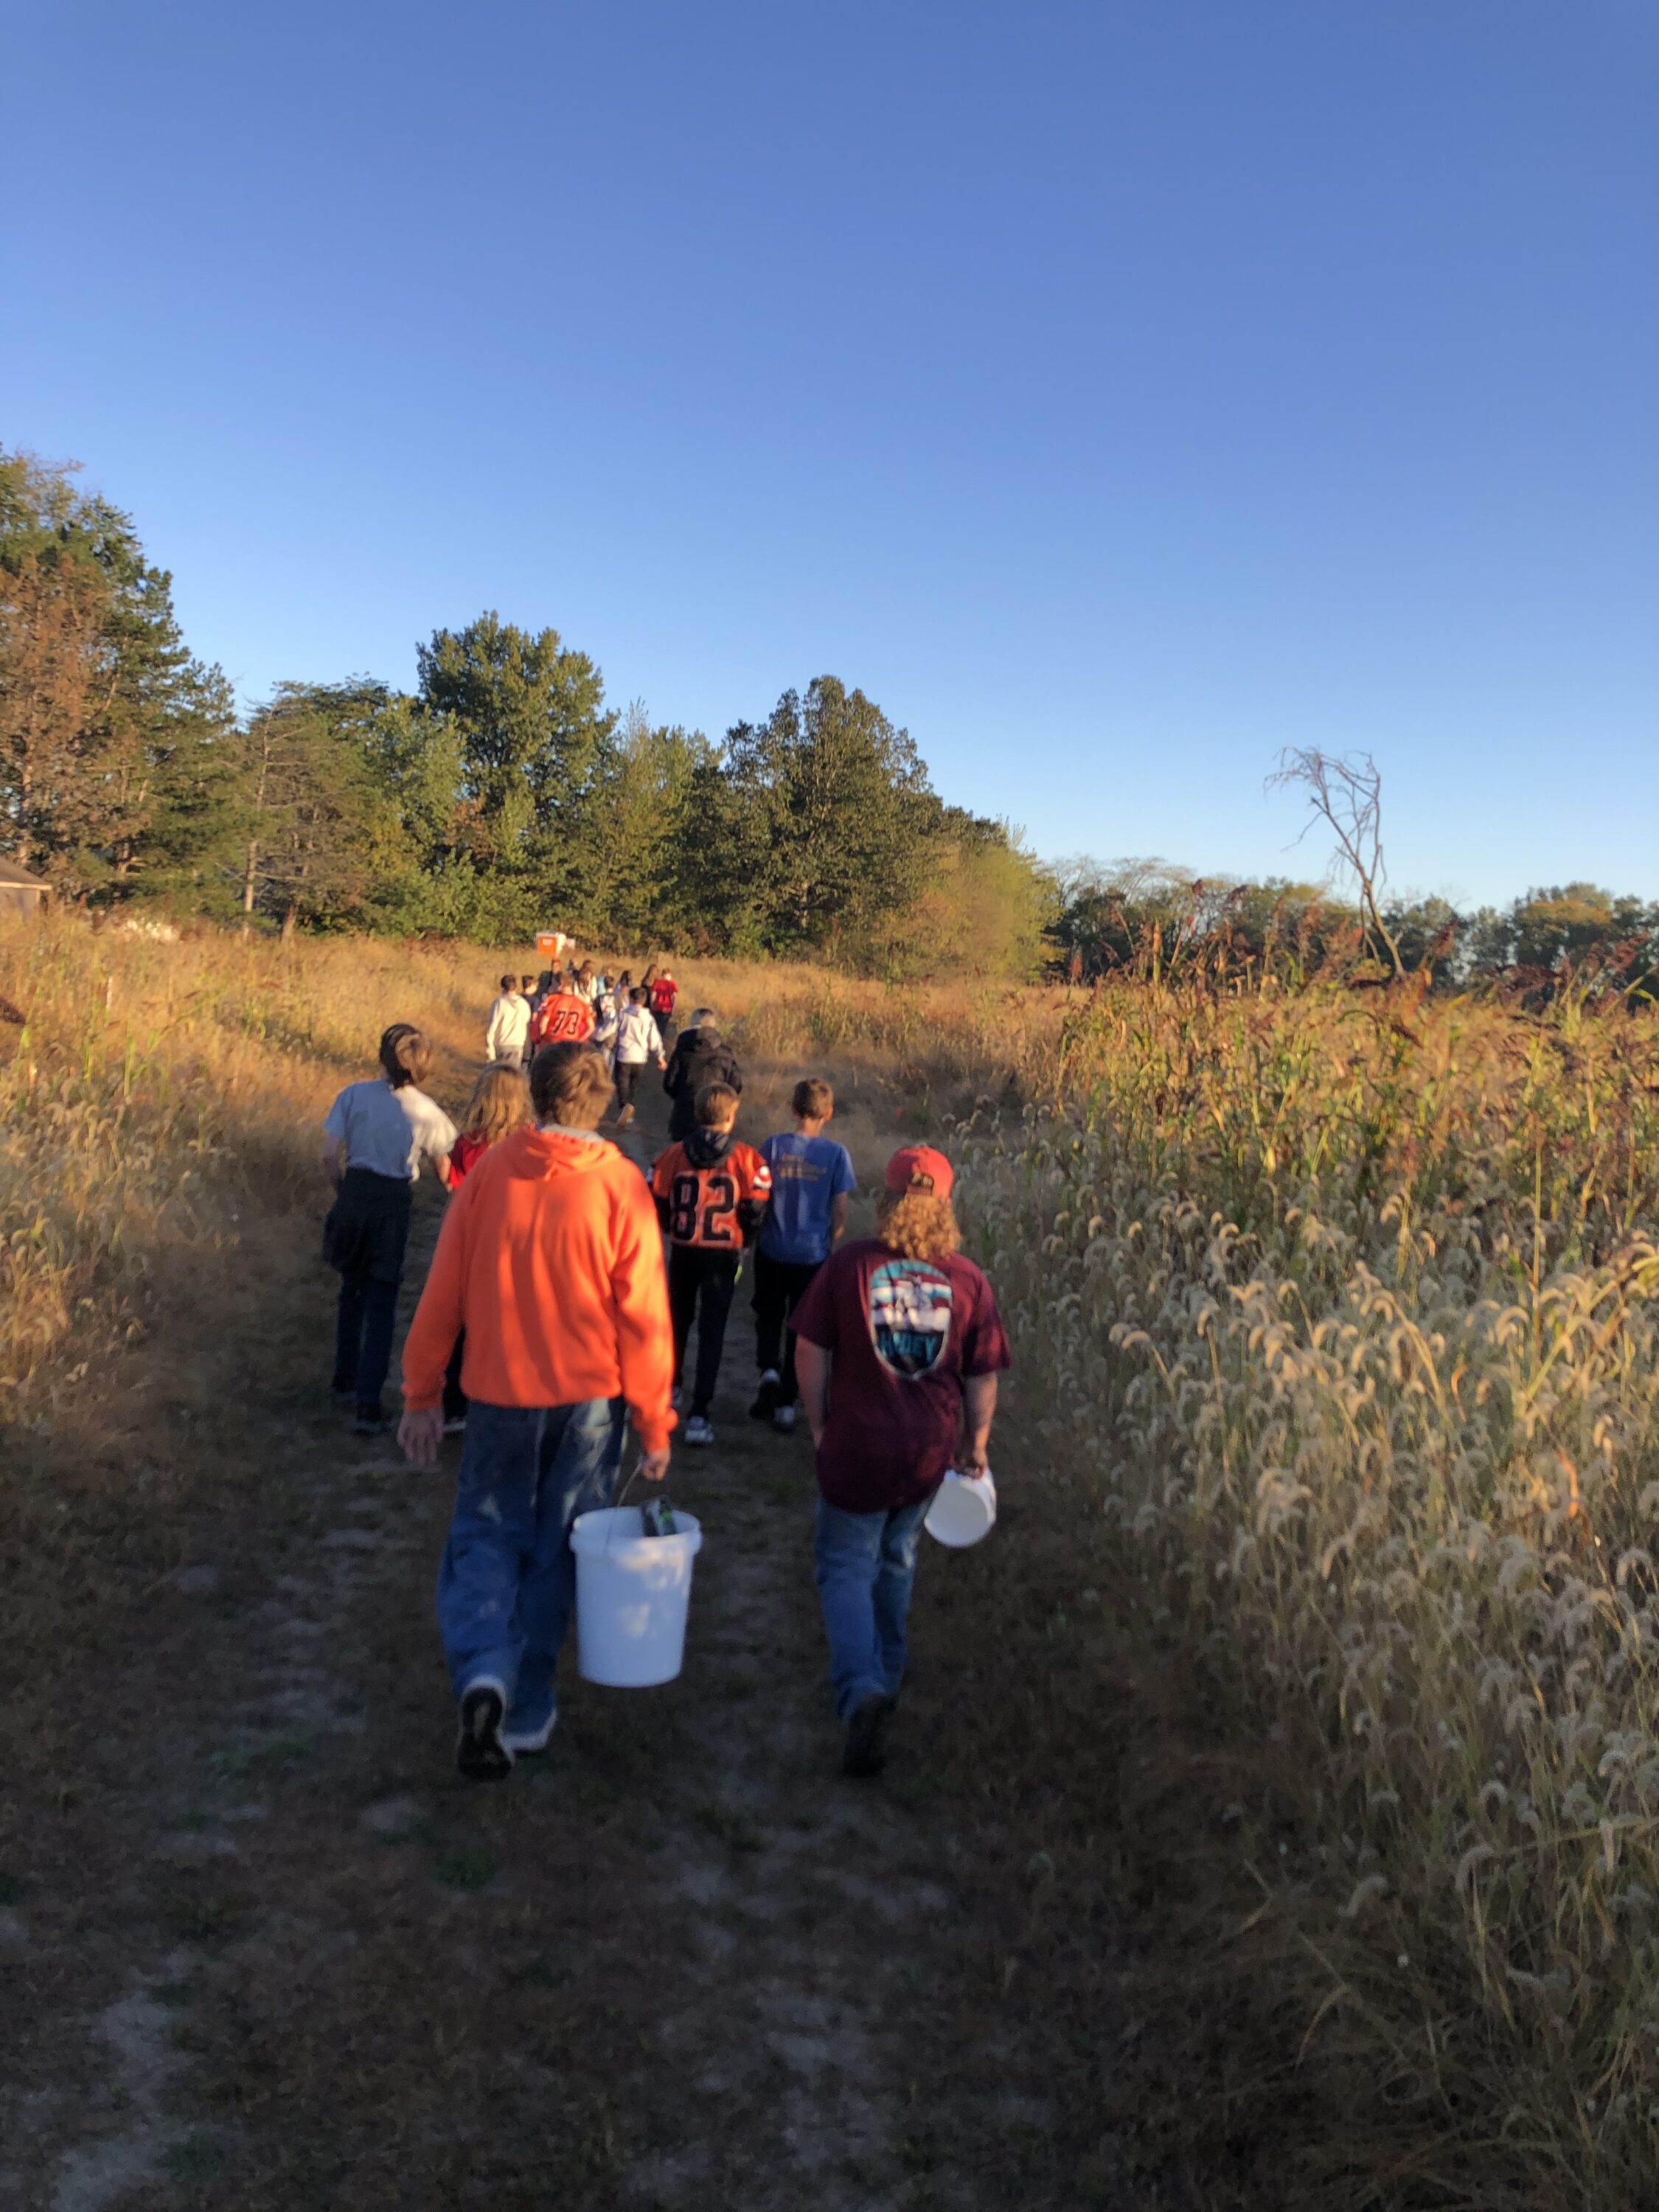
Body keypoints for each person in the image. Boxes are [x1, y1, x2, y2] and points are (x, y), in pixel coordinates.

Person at [399, 1042, 676, 1781]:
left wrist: (423, 1393)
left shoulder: (490, 1173)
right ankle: (525, 1709)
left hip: (496, 1392)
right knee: (556, 1545)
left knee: (487, 1535)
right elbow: (645, 1315)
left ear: (536, 1098)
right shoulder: (622, 1186)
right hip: (589, 1403)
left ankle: (485, 1671)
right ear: (599, 1105)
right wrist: (654, 1421)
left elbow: (443, 1292)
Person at [791, 1146, 1011, 1778]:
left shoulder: (849, 1266)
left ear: (885, 1201)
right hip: (926, 1454)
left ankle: (862, 1691)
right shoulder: (968, 1280)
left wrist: (818, 1423)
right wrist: (977, 1443)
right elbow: (981, 1375)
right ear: (945, 1205)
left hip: (856, 1445)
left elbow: (809, 1348)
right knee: (897, 1558)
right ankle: (888, 1672)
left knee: (843, 1565)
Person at [321, 1024, 456, 1436]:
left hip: (356, 1191)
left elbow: (329, 1155)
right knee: (382, 1301)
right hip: (392, 1202)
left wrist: (344, 1192)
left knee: (351, 1288)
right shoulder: (427, 1111)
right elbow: (446, 1169)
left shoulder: (353, 1095)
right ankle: (368, 1402)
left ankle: (343, 1377)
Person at [650, 1083, 771, 1447]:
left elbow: (656, 1197)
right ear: (731, 1117)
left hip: (684, 1249)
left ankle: (671, 1386)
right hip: (723, 1252)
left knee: (678, 1321)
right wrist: (747, 1241)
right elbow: (756, 1207)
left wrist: (670, 1226)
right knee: (713, 1330)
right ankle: (700, 1413)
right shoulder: (749, 1159)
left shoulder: (672, 1155)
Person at [751, 1078, 857, 1433]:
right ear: (829, 1114)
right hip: (812, 1255)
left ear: (793, 1109)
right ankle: (786, 1403)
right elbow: (840, 1207)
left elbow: (759, 1195)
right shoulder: (837, 1154)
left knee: (767, 1312)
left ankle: (767, 1369)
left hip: (772, 1247)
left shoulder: (774, 1146)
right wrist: (833, 1240)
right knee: (800, 1327)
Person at [439, 1062, 533, 1433]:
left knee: (462, 1325)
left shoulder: (468, 1144)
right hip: (518, 1244)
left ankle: (455, 1407)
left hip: (474, 1245)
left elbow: (456, 1186)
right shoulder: (531, 1143)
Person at [661, 1009, 741, 1141]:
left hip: (684, 1116)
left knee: (682, 1157)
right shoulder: (725, 1052)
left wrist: (683, 1097)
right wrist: (721, 1102)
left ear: (692, 1024)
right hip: (716, 1117)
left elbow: (669, 1083)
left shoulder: (682, 1049)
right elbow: (736, 1085)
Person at [612, 986, 665, 1127]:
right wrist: (660, 1056)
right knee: (634, 1086)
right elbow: (654, 1039)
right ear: (644, 1000)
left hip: (624, 1055)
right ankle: (630, 1109)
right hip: (640, 1057)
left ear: (630, 999)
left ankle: (624, 1108)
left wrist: (596, 1034)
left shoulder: (623, 1015)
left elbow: (610, 1029)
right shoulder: (648, 1018)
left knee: (622, 1083)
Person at [529, 973, 596, 1049]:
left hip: (553, 1041)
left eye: (554, 984)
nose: (552, 986)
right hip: (571, 1043)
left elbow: (543, 1024)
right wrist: (580, 1040)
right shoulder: (582, 1003)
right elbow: (591, 1027)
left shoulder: (552, 1000)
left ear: (560, 984)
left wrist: (542, 1039)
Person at [484, 973, 530, 1065]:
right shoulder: (524, 1004)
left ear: (503, 988)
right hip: (517, 1045)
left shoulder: (499, 1003)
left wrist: (490, 1052)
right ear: (516, 988)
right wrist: (527, 1052)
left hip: (501, 1045)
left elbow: (492, 1027)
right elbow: (526, 1027)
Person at [647, 964, 679, 1044]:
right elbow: (673, 998)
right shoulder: (673, 984)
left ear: (662, 975)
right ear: (670, 975)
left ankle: (653, 1042)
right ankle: (659, 1043)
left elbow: (653, 996)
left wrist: (652, 1005)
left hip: (657, 1007)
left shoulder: (657, 982)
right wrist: (673, 1009)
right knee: (663, 1027)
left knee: (656, 1026)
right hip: (667, 1008)